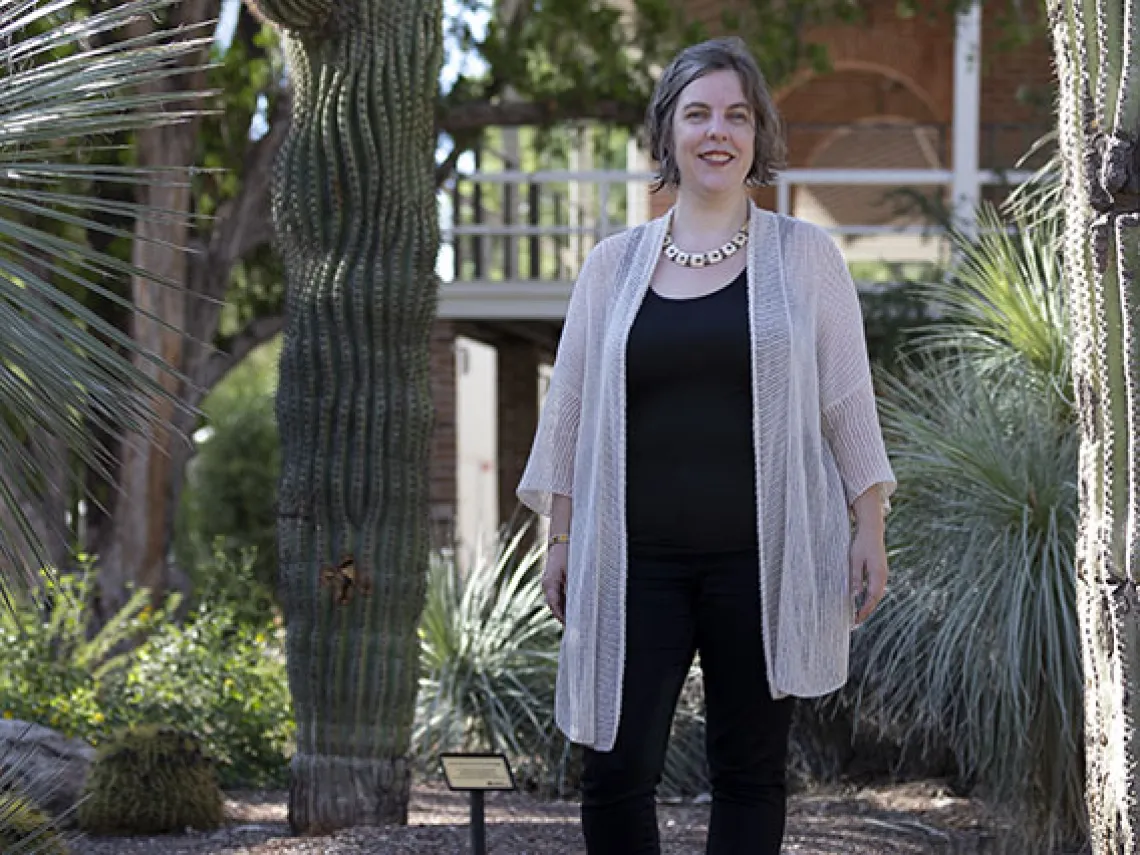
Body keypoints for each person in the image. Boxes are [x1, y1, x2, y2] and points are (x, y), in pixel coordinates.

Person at [516, 36, 896, 855]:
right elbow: (571, 408)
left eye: (736, 114)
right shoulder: (611, 268)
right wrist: (559, 532)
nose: (717, 131)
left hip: (762, 560)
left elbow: (845, 399)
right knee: (614, 770)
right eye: (697, 114)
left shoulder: (806, 258)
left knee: (750, 772)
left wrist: (870, 522)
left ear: (759, 134)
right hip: (632, 561)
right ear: (668, 135)